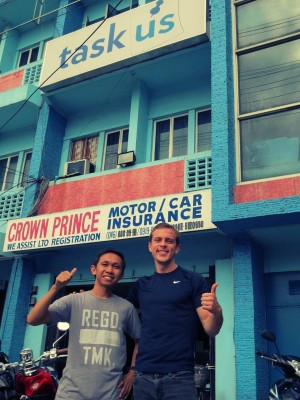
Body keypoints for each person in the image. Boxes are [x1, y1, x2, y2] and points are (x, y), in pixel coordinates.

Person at [27, 249, 141, 400]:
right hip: (71, 394)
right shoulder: (74, 301)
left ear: (121, 275)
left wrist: (132, 371)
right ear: (94, 269)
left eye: (116, 266)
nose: (109, 270)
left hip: (111, 394)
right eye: (105, 264)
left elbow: (139, 340)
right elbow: (33, 319)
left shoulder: (127, 308)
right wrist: (56, 287)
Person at [127, 222, 223, 400]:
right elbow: (119, 315)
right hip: (143, 376)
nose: (163, 244)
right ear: (150, 246)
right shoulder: (141, 285)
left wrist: (217, 311)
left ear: (177, 248)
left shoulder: (193, 280)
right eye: (158, 240)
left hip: (179, 377)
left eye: (169, 241)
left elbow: (211, 329)